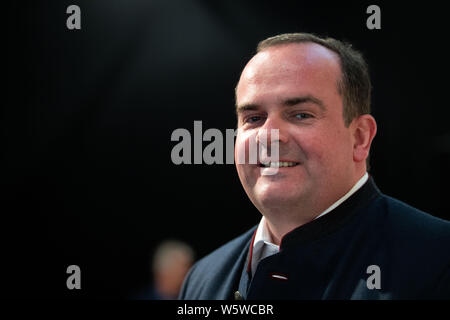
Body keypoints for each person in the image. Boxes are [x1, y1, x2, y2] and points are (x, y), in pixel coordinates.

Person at [178, 33, 450, 300]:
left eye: (300, 114)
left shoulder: (438, 259)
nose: (269, 135)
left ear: (360, 137)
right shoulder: (204, 279)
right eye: (254, 118)